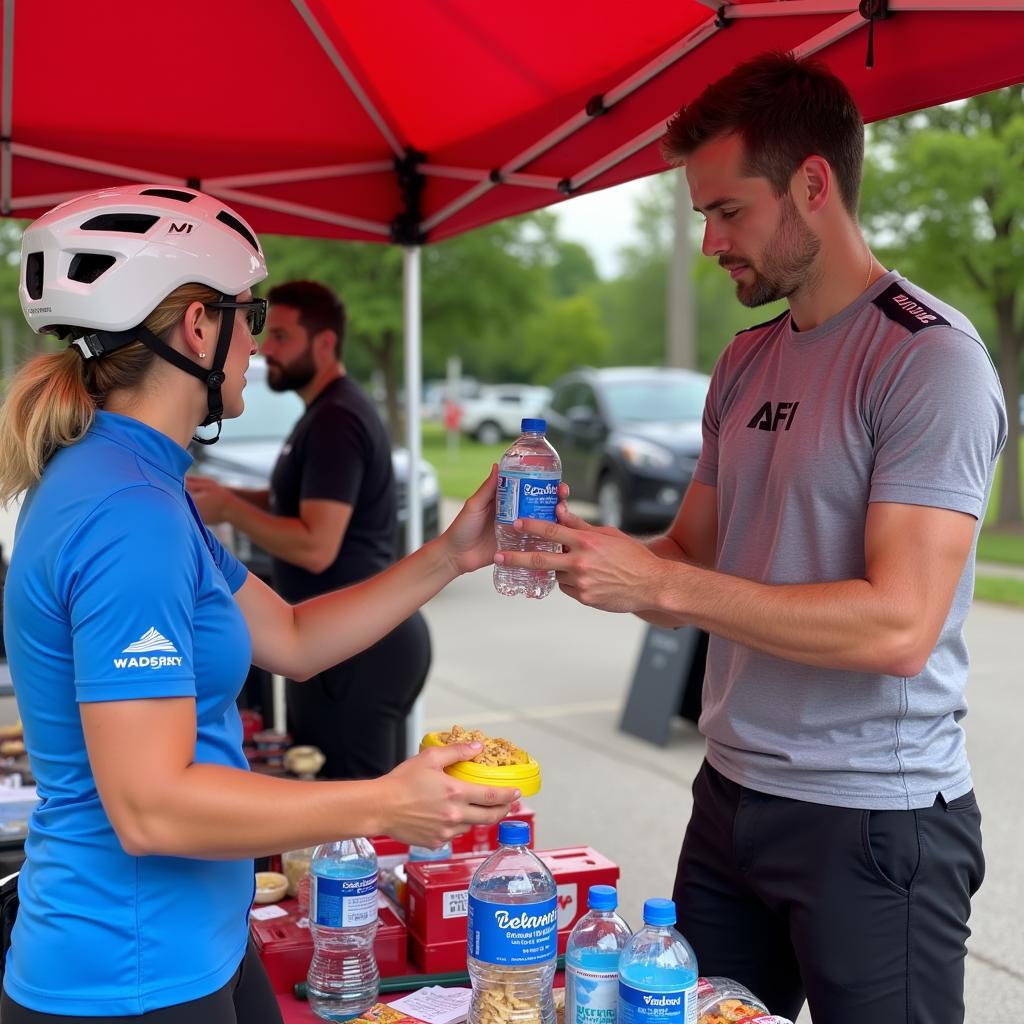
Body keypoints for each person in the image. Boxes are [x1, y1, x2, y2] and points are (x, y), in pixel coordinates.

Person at [495, 53, 1007, 1024]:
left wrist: (659, 588)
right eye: (700, 215)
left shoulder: (926, 359)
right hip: (732, 794)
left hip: (873, 816)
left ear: (813, 185)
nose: (707, 241)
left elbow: (897, 627)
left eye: (727, 211)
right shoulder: (745, 359)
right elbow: (690, 551)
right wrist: (594, 552)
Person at [0, 184, 516, 1022]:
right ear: (199, 327)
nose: (254, 342)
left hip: (188, 940)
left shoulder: (138, 481)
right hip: (128, 976)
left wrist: (452, 554)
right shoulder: (129, 513)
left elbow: (297, 636)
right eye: (250, 315)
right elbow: (151, 807)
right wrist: (386, 800)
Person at [187, 280, 431, 779]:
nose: (264, 348)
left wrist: (230, 509)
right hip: (346, 642)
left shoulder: (337, 420)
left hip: (356, 651)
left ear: (324, 344)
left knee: (354, 828)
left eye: (281, 336)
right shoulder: (324, 412)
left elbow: (317, 545)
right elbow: (298, 502)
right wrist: (225, 496)